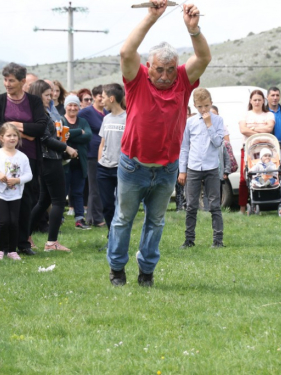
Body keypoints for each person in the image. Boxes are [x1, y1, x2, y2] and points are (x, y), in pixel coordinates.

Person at [107, 0, 211, 287]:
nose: (164, 76)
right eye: (158, 69)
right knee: (123, 219)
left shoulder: (182, 80)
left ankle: (146, 273)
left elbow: (203, 58)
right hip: (133, 166)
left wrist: (193, 29)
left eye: (169, 69)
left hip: (166, 169)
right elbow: (126, 51)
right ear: (148, 67)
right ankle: (117, 269)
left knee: (156, 222)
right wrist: (152, 17)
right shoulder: (137, 80)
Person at [0, 62, 47, 256]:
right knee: (5, 201)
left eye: (11, 80)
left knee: (27, 200)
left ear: (23, 82)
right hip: (4, 161)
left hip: (28, 159)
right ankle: (4, 246)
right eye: (5, 80)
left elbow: (40, 128)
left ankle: (23, 242)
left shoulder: (34, 102)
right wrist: (24, 130)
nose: (7, 84)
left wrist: (12, 125)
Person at [28, 80, 77, 251]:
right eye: (47, 95)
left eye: (52, 94)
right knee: (58, 201)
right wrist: (66, 147)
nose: (51, 98)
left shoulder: (43, 112)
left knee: (43, 202)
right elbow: (46, 139)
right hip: (49, 159)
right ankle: (52, 243)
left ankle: (25, 237)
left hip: (48, 159)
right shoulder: (40, 114)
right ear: (37, 95)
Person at [178, 88, 224, 249]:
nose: (203, 110)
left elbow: (218, 143)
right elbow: (184, 147)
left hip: (211, 167)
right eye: (200, 107)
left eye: (206, 106)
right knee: (191, 205)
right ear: (195, 106)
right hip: (193, 167)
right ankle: (189, 240)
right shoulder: (190, 122)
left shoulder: (218, 120)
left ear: (211, 103)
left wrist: (209, 124)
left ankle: (218, 240)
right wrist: (182, 170)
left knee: (214, 204)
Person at [0, 123, 33, 261]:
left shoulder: (22, 157)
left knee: (14, 222)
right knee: (3, 221)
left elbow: (29, 175)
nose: (12, 138)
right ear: (1, 138)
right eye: (8, 135)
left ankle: (12, 250)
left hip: (15, 194)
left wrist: (18, 180)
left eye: (15, 135)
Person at [97, 83, 126, 251]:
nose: (102, 100)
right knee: (107, 206)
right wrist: (101, 160)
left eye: (103, 96)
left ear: (112, 98)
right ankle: (111, 237)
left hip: (122, 169)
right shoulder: (105, 118)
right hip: (104, 169)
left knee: (121, 206)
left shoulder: (128, 118)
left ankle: (119, 240)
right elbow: (102, 142)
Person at [238, 90, 275, 214]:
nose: (257, 102)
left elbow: (269, 128)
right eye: (255, 100)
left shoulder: (268, 115)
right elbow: (243, 130)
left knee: (266, 175)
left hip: (264, 151)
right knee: (244, 178)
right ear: (250, 101)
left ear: (263, 101)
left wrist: (252, 129)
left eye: (259, 99)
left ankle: (265, 204)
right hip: (248, 149)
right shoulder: (245, 115)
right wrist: (259, 133)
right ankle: (242, 208)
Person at [62, 94, 93, 229]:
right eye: (70, 105)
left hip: (80, 163)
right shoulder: (61, 120)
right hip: (64, 164)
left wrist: (70, 134)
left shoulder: (83, 121)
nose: (73, 108)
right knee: (62, 192)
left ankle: (80, 219)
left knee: (78, 192)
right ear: (65, 106)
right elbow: (62, 138)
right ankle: (59, 218)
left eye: (75, 105)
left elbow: (88, 136)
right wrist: (78, 132)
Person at [78, 85, 106, 227]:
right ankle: (97, 218)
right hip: (91, 153)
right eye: (100, 96)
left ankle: (91, 217)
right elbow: (76, 124)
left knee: (101, 187)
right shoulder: (86, 112)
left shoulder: (107, 112)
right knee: (94, 187)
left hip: (106, 154)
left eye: (104, 96)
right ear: (94, 97)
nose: (102, 98)